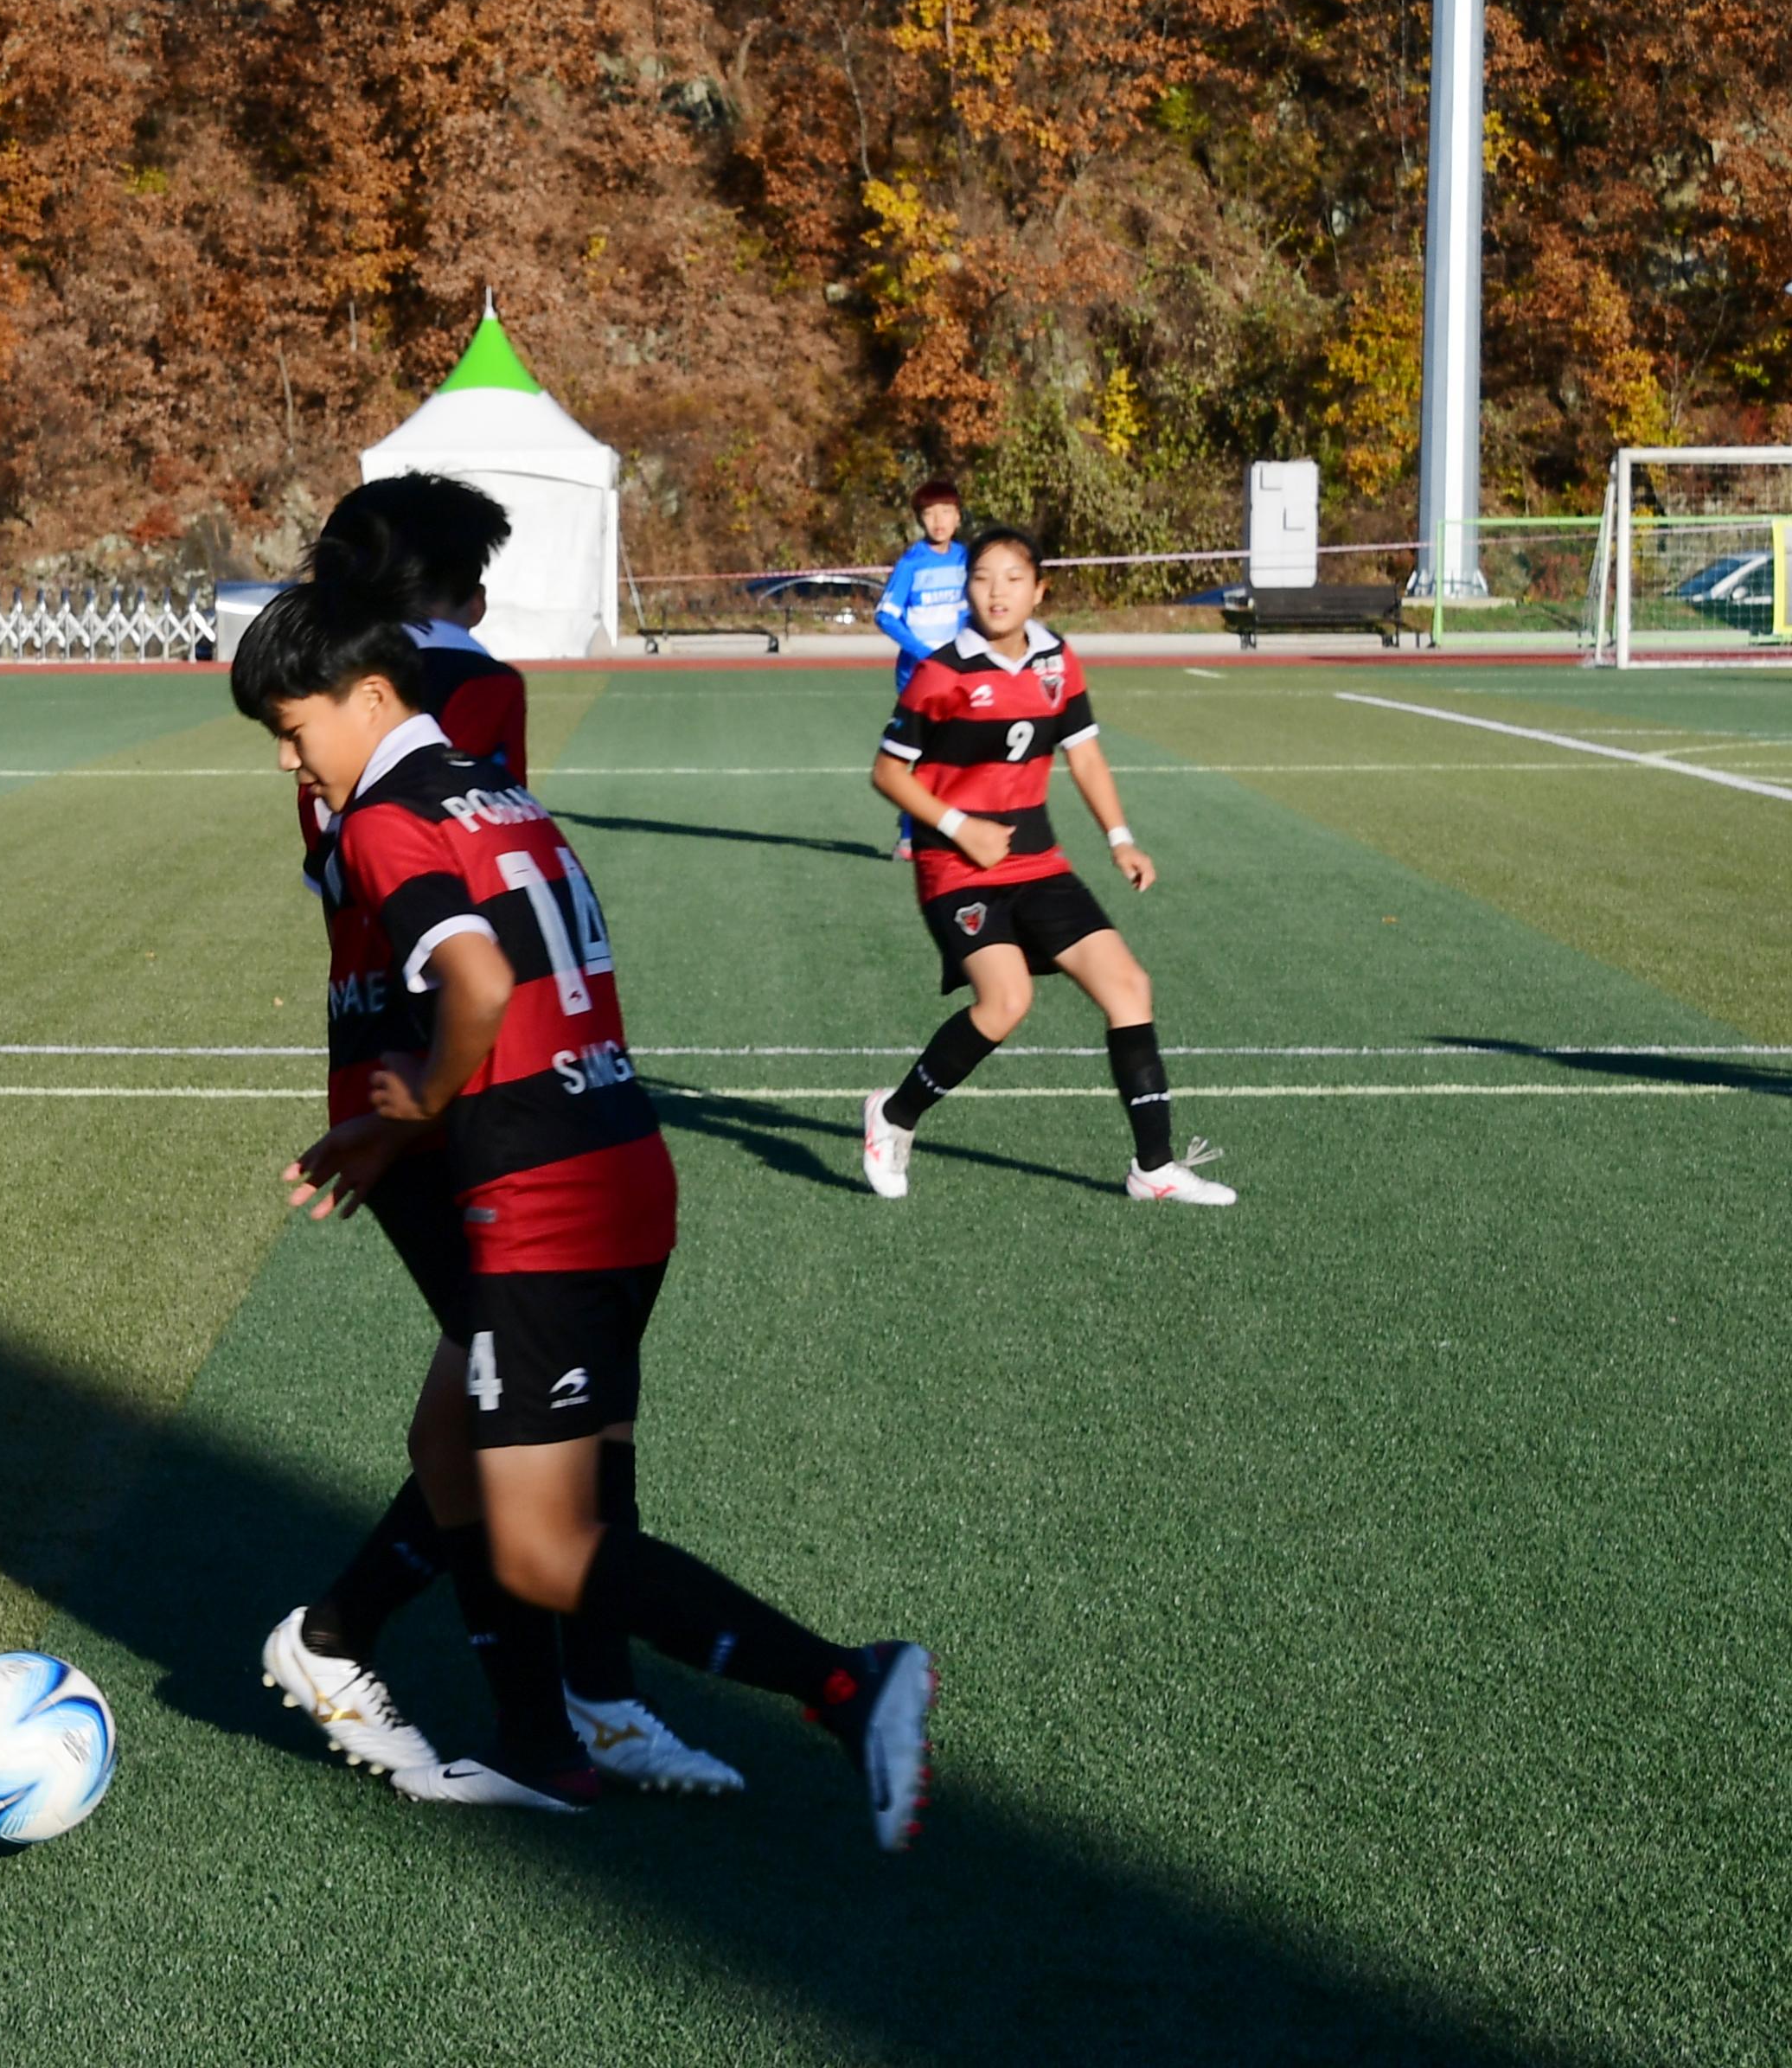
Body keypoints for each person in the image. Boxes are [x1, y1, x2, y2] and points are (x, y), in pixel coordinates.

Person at [241, 535, 938, 1846]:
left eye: (292, 732)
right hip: (628, 1167)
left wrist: (416, 1101)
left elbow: (479, 988)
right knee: (456, 1444)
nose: (292, 764)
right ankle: (474, 1705)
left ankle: (845, 1683)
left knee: (540, 1549)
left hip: (538, 1204)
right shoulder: (499, 799)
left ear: (371, 697)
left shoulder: (388, 819)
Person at [262, 475, 741, 1799]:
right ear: (444, 587)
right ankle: (506, 1694)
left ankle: (552, 1705)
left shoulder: (334, 680)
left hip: (381, 1046)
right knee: (531, 1410)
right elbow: (477, 897)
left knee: (516, 1404)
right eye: (472, 578)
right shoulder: (455, 691)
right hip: (451, 1079)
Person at [862, 526, 1236, 1206]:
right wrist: (958, 826)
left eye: (1012, 578)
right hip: (957, 869)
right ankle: (893, 1117)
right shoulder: (941, 672)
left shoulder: (1058, 661)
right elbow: (887, 774)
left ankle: (1153, 1167)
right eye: (981, 578)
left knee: (1129, 987)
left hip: (1039, 863)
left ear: (1039, 589)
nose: (996, 591)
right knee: (1006, 1002)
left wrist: (1120, 838)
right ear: (966, 589)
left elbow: (1084, 755)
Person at [874, 481, 971, 860]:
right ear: (921, 520)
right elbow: (885, 615)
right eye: (930, 513)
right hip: (920, 676)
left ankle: (953, 828)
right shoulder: (911, 563)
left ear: (958, 516)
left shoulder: (967, 560)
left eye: (946, 511)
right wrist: (926, 654)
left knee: (960, 753)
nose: (939, 520)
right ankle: (910, 831)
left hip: (961, 673)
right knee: (922, 754)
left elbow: (974, 611)